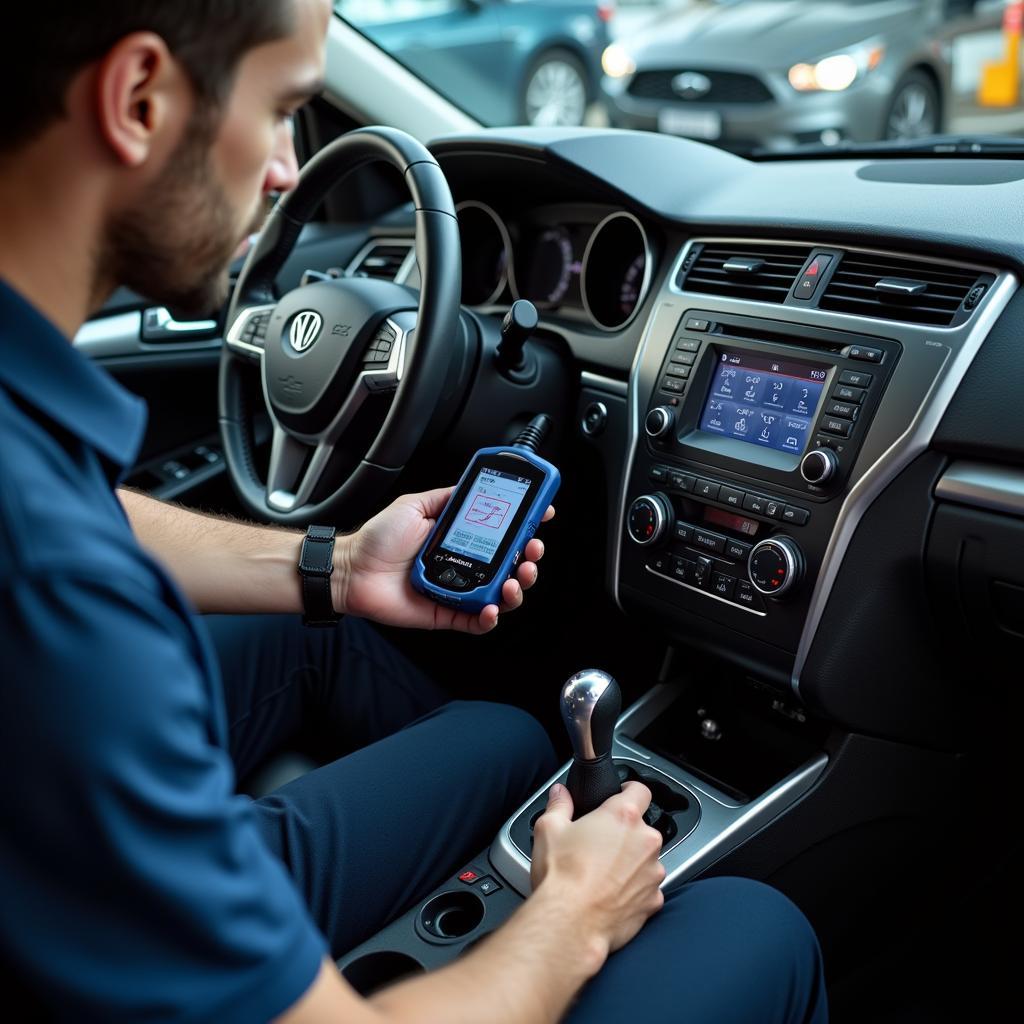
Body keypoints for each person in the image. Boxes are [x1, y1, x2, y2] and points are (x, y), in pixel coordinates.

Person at [0, 2, 828, 1021]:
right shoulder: (60, 605)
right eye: (281, 112)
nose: (277, 174)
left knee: (505, 738)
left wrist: (339, 565)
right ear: (137, 101)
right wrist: (571, 911)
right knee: (755, 928)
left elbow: (82, 513)